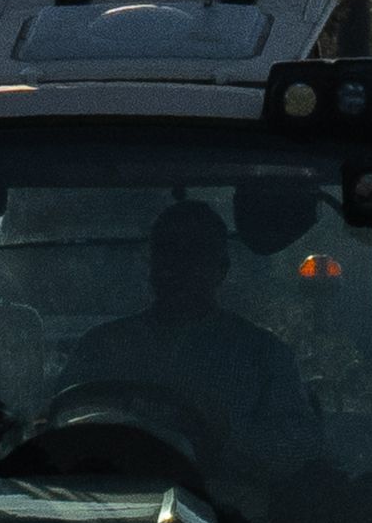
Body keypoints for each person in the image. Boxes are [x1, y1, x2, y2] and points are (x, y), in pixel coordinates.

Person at [54, 198, 322, 480]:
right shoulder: (100, 346)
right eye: (166, 251)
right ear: (151, 262)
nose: (176, 266)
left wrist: (229, 438)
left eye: (193, 254)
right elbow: (59, 427)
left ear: (221, 268)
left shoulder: (263, 356)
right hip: (110, 507)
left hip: (226, 511)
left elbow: (301, 448)